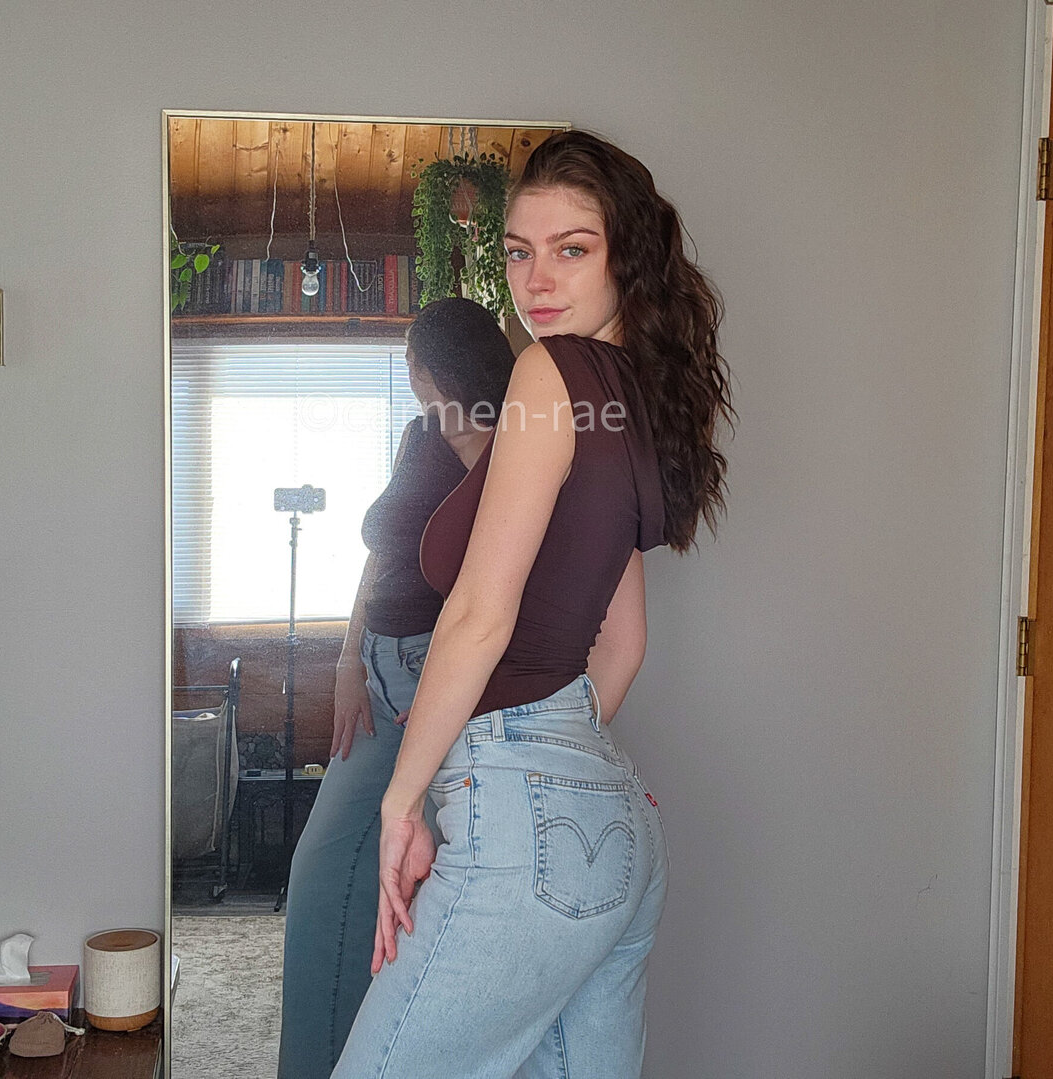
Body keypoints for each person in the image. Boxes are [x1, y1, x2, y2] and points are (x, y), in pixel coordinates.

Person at [330, 129, 732, 1079]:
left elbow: (480, 614)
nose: (536, 280)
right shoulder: (634, 402)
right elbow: (624, 643)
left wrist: (403, 800)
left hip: (528, 815)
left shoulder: (552, 377)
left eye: (571, 249)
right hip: (615, 821)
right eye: (519, 252)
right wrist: (573, 768)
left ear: (626, 255)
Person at [278, 297, 517, 1079]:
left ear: (427, 366)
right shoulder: (419, 435)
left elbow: (502, 595)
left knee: (424, 897)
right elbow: (379, 555)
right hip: (378, 674)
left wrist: (453, 687)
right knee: (322, 872)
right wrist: (348, 661)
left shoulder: (510, 446)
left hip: (437, 681)